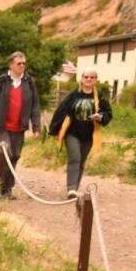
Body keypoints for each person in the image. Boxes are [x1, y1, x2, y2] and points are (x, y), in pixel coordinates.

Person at [0, 51, 42, 200]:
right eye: (19, 63)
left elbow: (35, 106)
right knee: (5, 153)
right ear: (11, 65)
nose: (22, 66)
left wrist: (36, 127)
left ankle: (7, 189)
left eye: (24, 63)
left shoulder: (29, 82)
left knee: (15, 156)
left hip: (19, 127)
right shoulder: (1, 81)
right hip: (2, 126)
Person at [48, 69, 113, 199]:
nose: (89, 79)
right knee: (75, 158)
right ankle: (71, 188)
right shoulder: (73, 95)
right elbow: (61, 110)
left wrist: (100, 116)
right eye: (86, 77)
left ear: (95, 80)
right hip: (72, 133)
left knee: (81, 162)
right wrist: (54, 129)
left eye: (92, 77)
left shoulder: (99, 96)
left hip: (89, 134)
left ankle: (75, 189)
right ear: (81, 79)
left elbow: (108, 112)